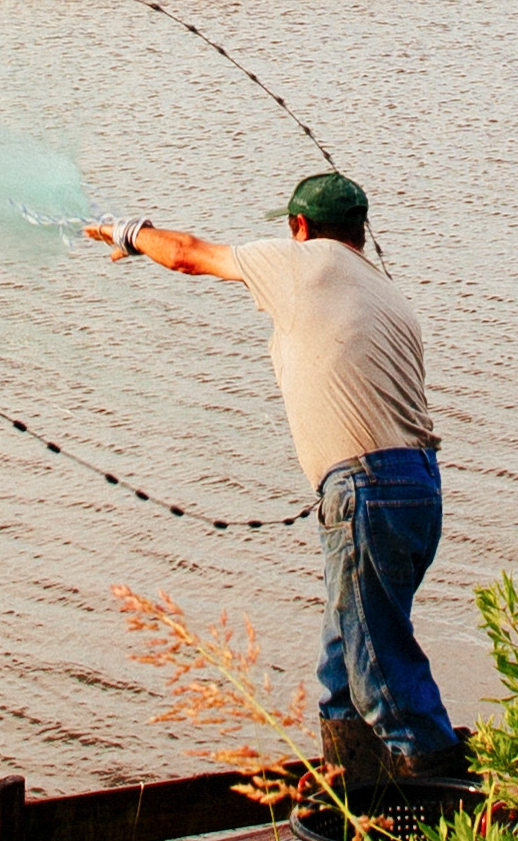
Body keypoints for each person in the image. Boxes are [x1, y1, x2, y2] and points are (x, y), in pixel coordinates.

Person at [85, 171, 456, 787]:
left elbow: (185, 256)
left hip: (367, 490)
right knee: (344, 669)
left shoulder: (303, 264)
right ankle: (353, 811)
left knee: (377, 667)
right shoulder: (389, 295)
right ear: (360, 233)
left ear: (300, 228)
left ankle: (456, 800)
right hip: (418, 488)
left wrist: (126, 234)